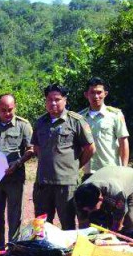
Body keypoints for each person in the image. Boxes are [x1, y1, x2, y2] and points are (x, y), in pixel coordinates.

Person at [25, 83, 95, 229]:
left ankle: (66, 252)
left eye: (57, 99)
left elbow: (90, 148)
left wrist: (75, 166)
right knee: (41, 226)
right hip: (43, 184)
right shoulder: (40, 122)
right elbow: (36, 148)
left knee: (68, 225)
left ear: (65, 100)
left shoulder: (76, 121)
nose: (53, 103)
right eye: (49, 100)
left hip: (67, 184)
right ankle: (45, 252)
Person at [0, 93, 33, 251]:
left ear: (15, 107)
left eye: (10, 110)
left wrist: (18, 163)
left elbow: (30, 149)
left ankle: (13, 252)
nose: (7, 113)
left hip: (14, 178)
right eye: (3, 110)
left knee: (15, 218)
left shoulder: (23, 125)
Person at [78, 77, 130, 176]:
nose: (96, 96)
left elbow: (123, 142)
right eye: (92, 92)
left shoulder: (115, 115)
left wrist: (124, 169)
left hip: (111, 170)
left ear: (105, 94)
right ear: (86, 95)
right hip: (89, 172)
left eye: (99, 92)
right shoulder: (79, 118)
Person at [75, 165, 133, 232]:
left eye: (91, 208)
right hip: (110, 175)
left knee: (131, 223)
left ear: (100, 199)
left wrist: (112, 233)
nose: (89, 211)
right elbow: (83, 222)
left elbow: (118, 221)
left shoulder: (115, 192)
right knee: (96, 220)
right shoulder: (80, 196)